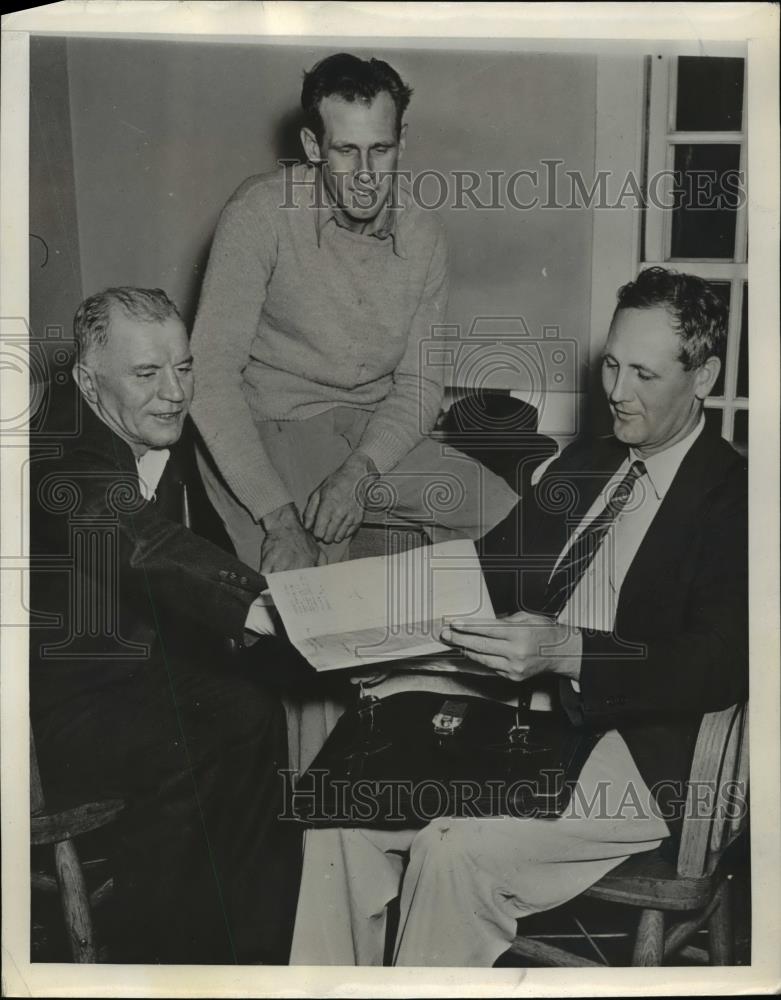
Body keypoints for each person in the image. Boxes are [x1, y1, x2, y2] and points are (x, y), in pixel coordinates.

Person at [288, 266, 748, 966]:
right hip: (520, 725)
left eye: (644, 377)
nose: (617, 395)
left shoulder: (736, 498)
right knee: (337, 818)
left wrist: (569, 653)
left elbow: (718, 660)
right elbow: (488, 572)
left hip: (645, 751)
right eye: (611, 367)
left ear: (704, 375)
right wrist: (353, 618)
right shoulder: (585, 466)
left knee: (453, 848)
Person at [29, 287, 303, 964]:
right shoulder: (68, 454)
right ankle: (179, 960)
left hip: (139, 681)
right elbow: (145, 544)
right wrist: (278, 611)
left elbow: (196, 556)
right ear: (90, 383)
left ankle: (251, 960)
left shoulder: (147, 424)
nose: (175, 392)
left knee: (254, 710)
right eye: (148, 373)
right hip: (57, 720)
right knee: (222, 731)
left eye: (183, 368)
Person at [189, 51, 518, 575]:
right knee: (300, 600)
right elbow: (208, 377)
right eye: (346, 150)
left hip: (368, 429)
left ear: (401, 142)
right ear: (313, 146)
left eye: (380, 149)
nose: (366, 175)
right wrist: (279, 519)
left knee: (512, 522)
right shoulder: (258, 214)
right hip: (270, 424)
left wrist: (358, 474)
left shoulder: (425, 234)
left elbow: (418, 387)